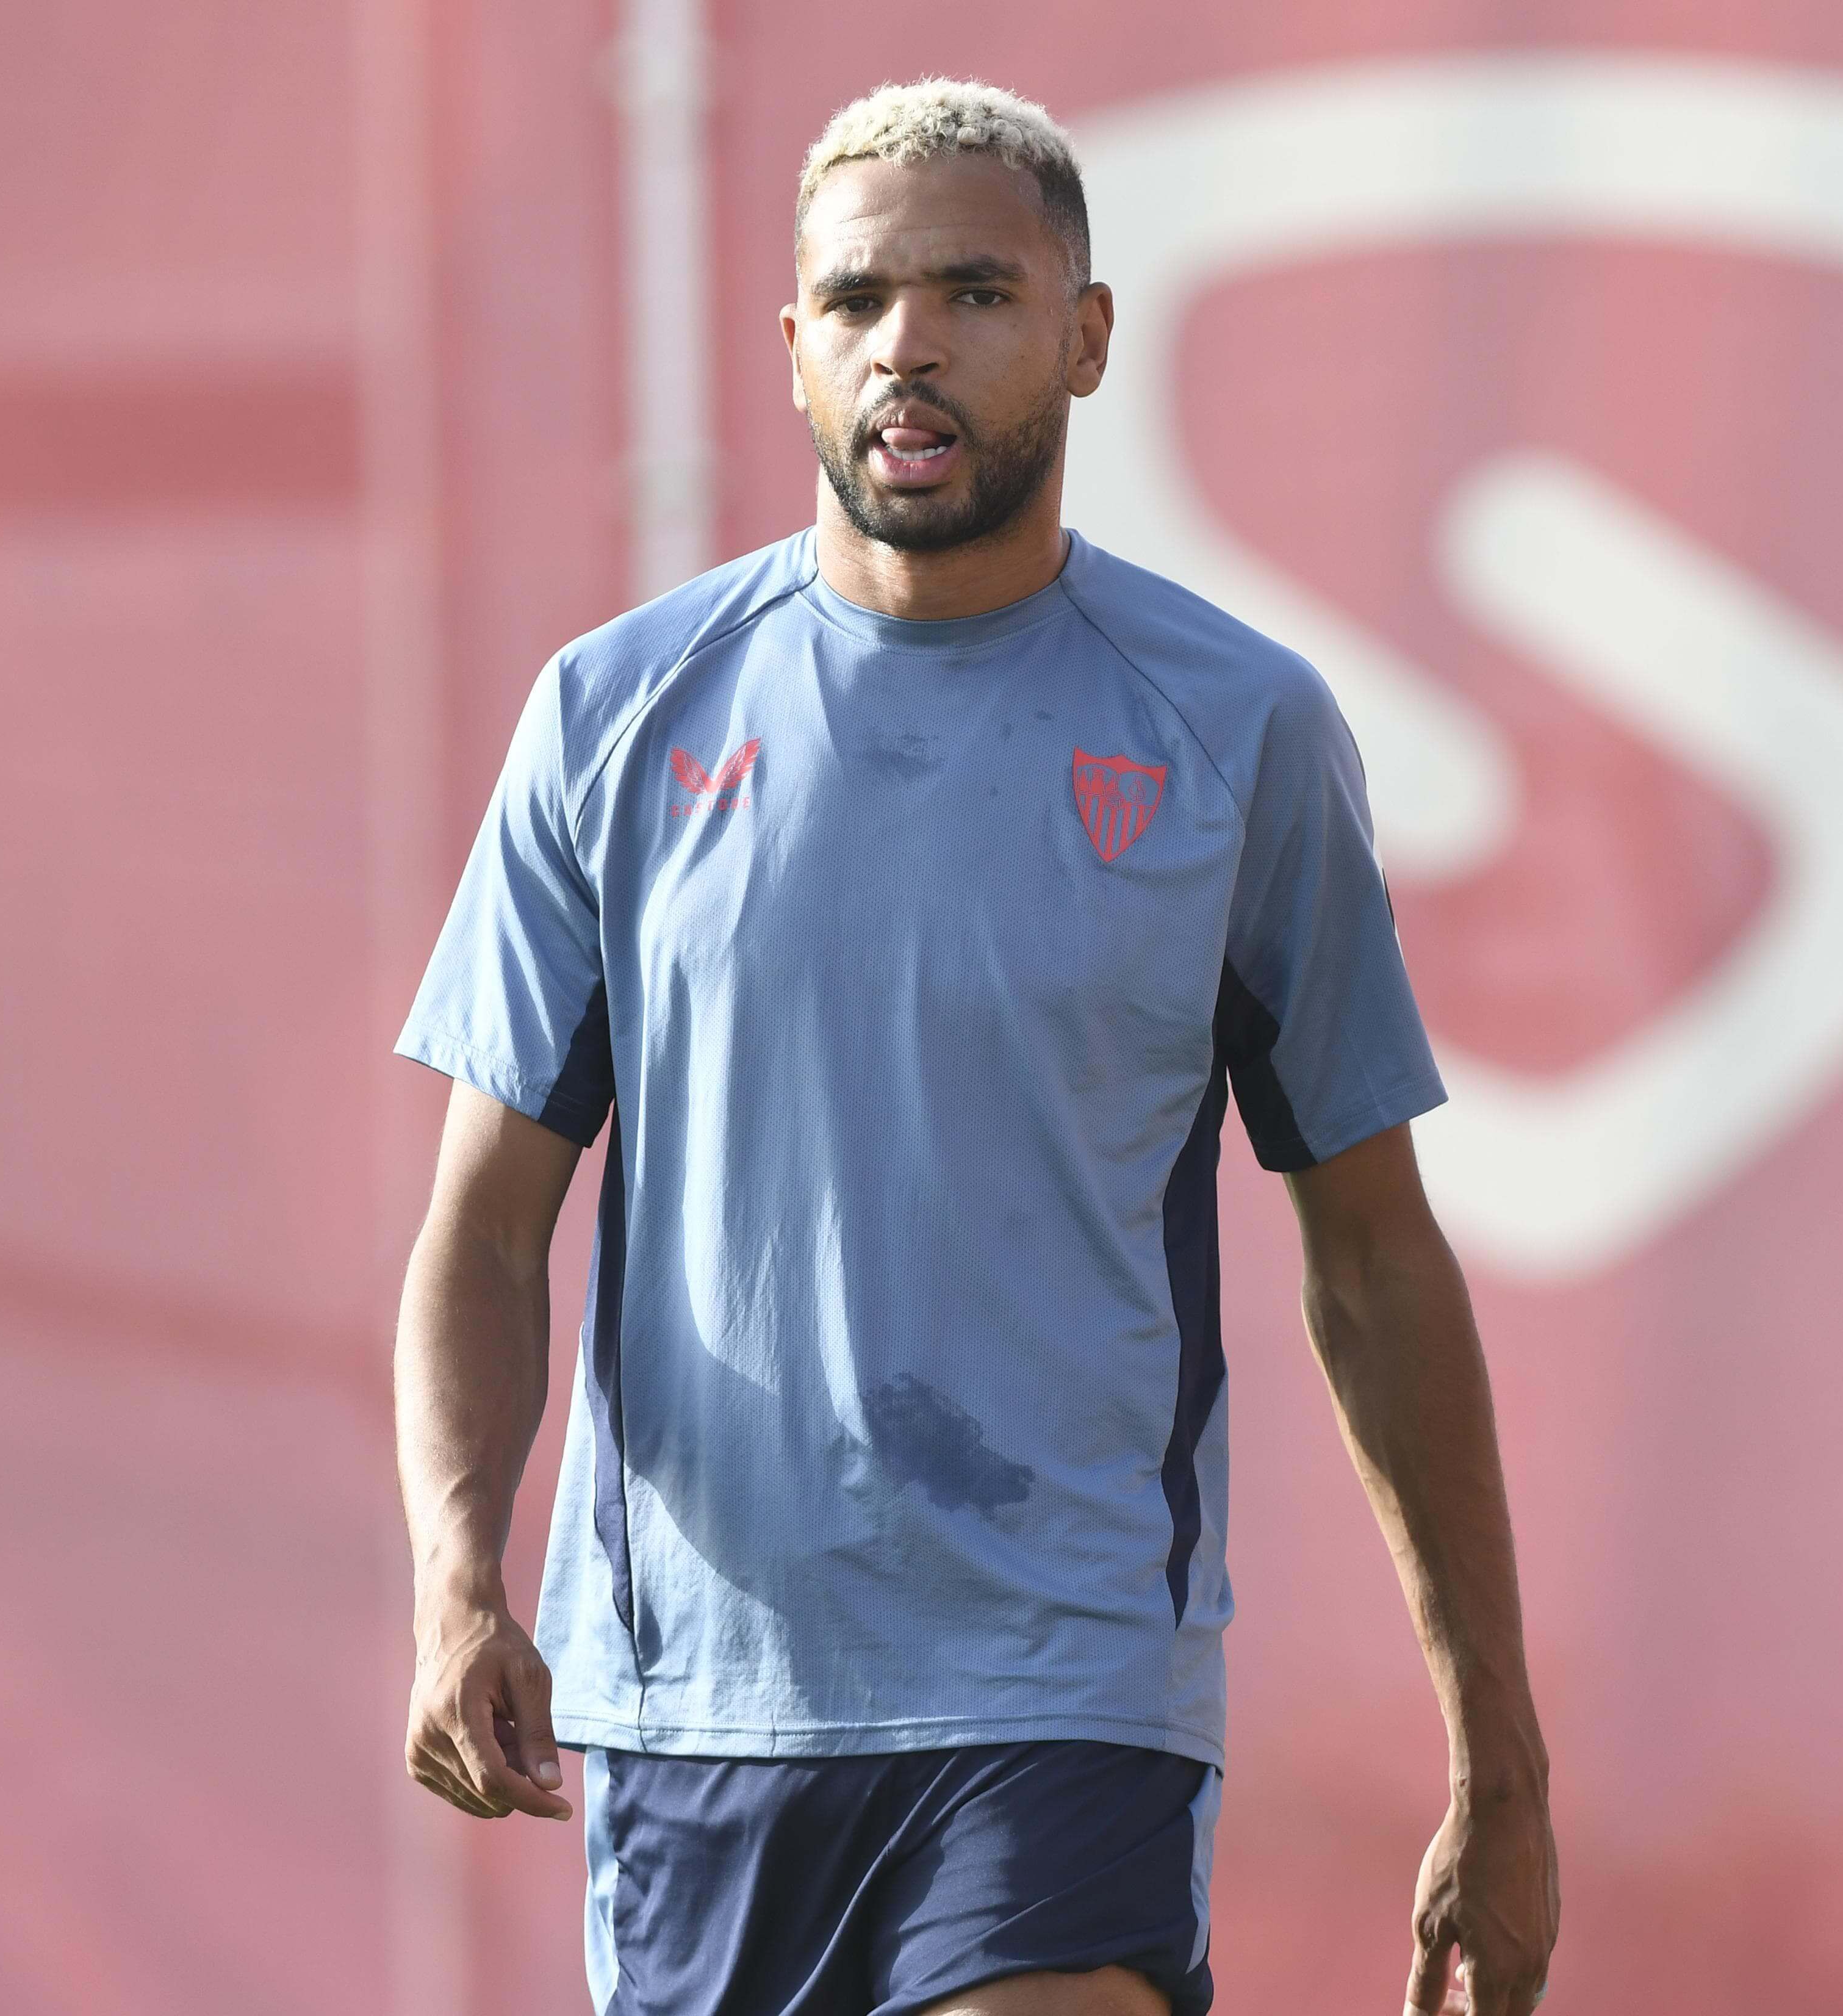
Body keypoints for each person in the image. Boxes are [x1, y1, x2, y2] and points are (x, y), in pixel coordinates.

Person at [392, 77, 1557, 2016]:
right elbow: (484, 1230)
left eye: (973, 293)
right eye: (852, 304)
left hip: (1066, 1690)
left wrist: (1498, 1760)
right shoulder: (617, 720)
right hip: (700, 1713)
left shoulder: (1238, 736)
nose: (907, 344)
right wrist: (455, 1578)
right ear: (789, 355)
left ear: (1088, 337)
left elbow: (1374, 1258)